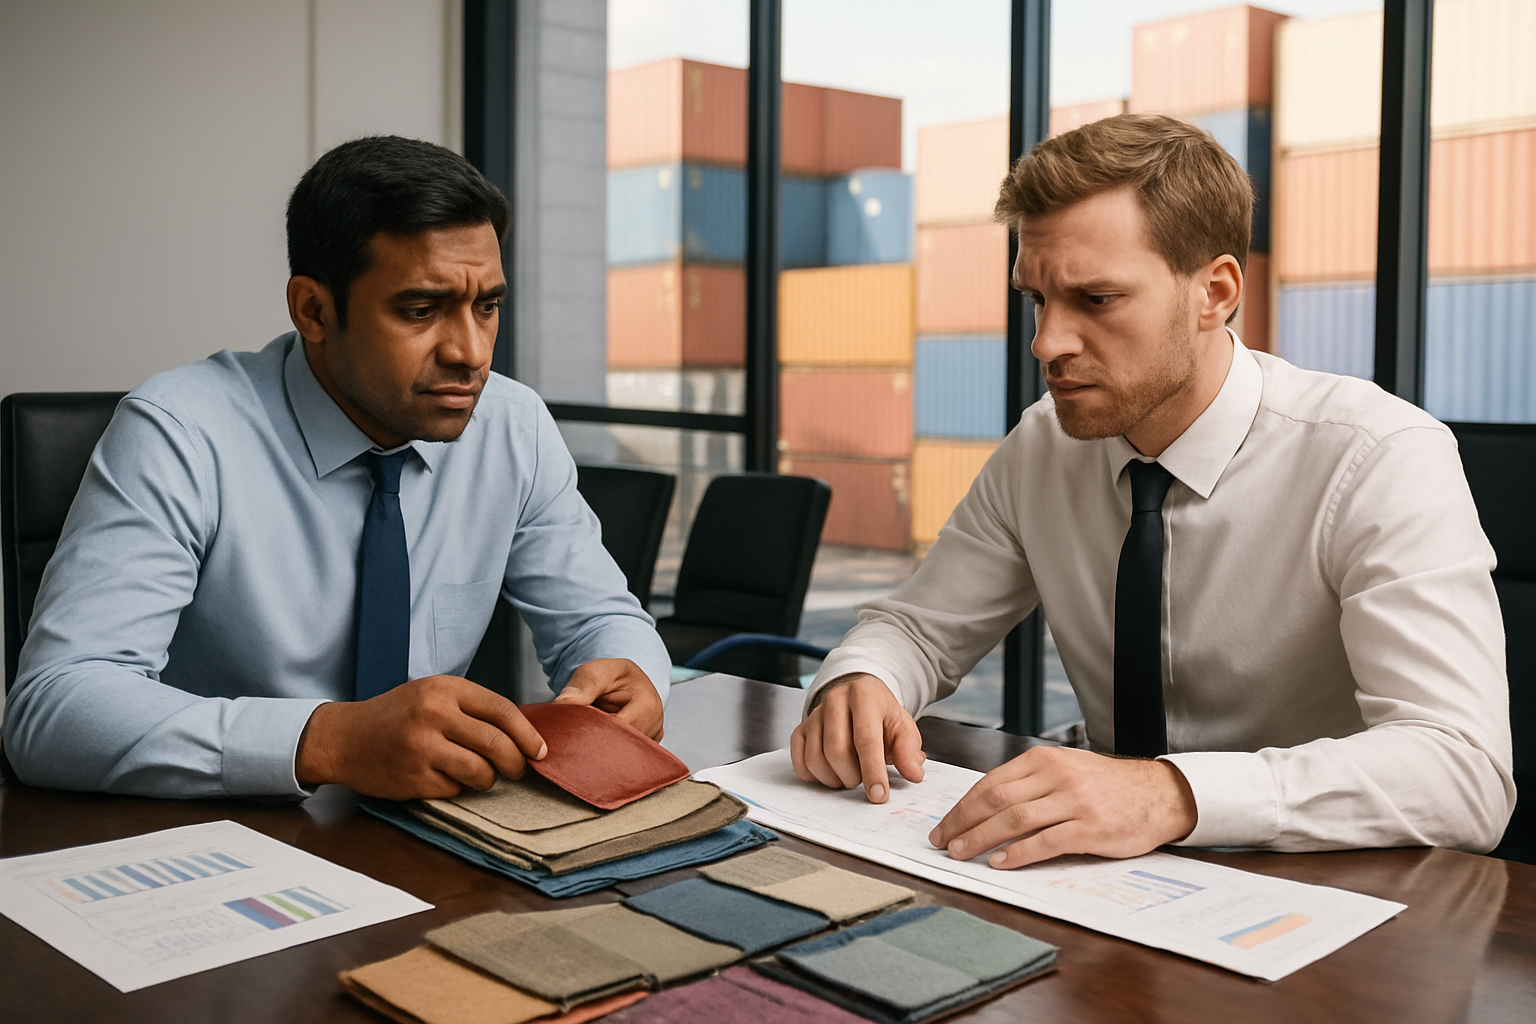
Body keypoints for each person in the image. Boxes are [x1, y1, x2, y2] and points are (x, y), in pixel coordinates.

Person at [791, 114, 1514, 867]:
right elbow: (919, 630)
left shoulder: (1378, 458)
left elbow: (1463, 773)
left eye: (1096, 300)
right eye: (1037, 299)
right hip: (1106, 882)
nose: (1047, 344)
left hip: (1327, 889)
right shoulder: (1043, 446)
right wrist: (860, 678)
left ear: (1216, 292)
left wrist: (1168, 795)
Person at [5, 136, 672, 801]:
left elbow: (599, 621)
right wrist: (329, 742)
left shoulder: (512, 427)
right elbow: (53, 707)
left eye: (487, 306)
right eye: (421, 310)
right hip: (226, 837)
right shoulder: (182, 431)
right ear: (314, 311)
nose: (471, 353)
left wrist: (629, 674)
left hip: (436, 840)